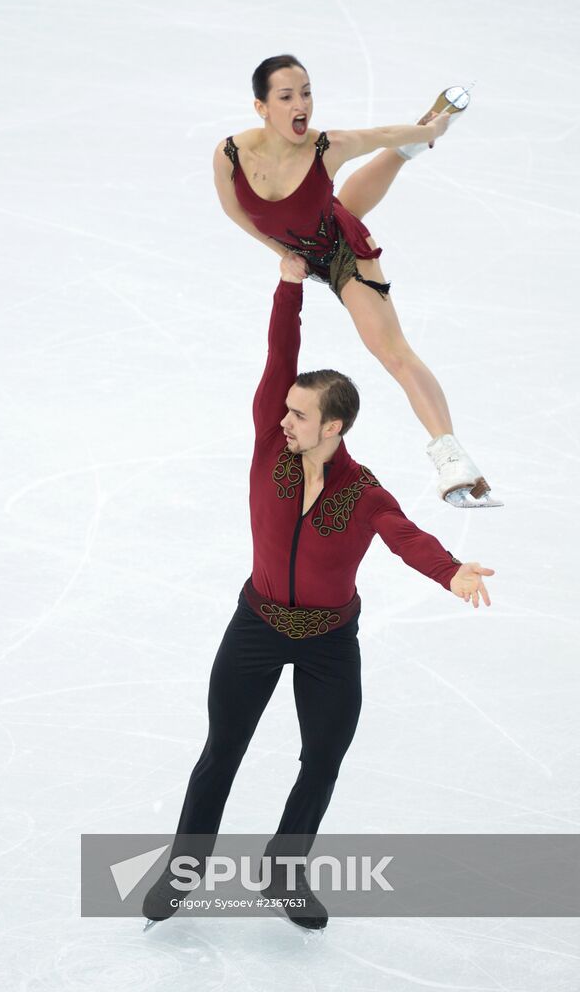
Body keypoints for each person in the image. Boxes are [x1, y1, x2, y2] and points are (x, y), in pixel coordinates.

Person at [142, 259, 494, 932]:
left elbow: (404, 534)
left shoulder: (363, 493)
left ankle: (286, 868)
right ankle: (184, 870)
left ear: (335, 427)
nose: (286, 419)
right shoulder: (268, 448)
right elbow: (281, 357)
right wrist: (288, 284)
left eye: (302, 414)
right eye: (288, 410)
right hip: (257, 625)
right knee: (222, 750)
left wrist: (452, 571)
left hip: (331, 639)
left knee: (323, 758)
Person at [213, 54, 502, 508]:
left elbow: (379, 134)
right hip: (311, 233)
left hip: (344, 252)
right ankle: (406, 152)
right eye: (286, 96)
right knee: (336, 204)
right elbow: (234, 211)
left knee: (391, 352)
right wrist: (284, 254)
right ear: (261, 107)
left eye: (306, 92)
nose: (300, 104)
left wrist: (428, 133)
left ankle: (452, 457)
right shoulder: (231, 154)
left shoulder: (326, 148)